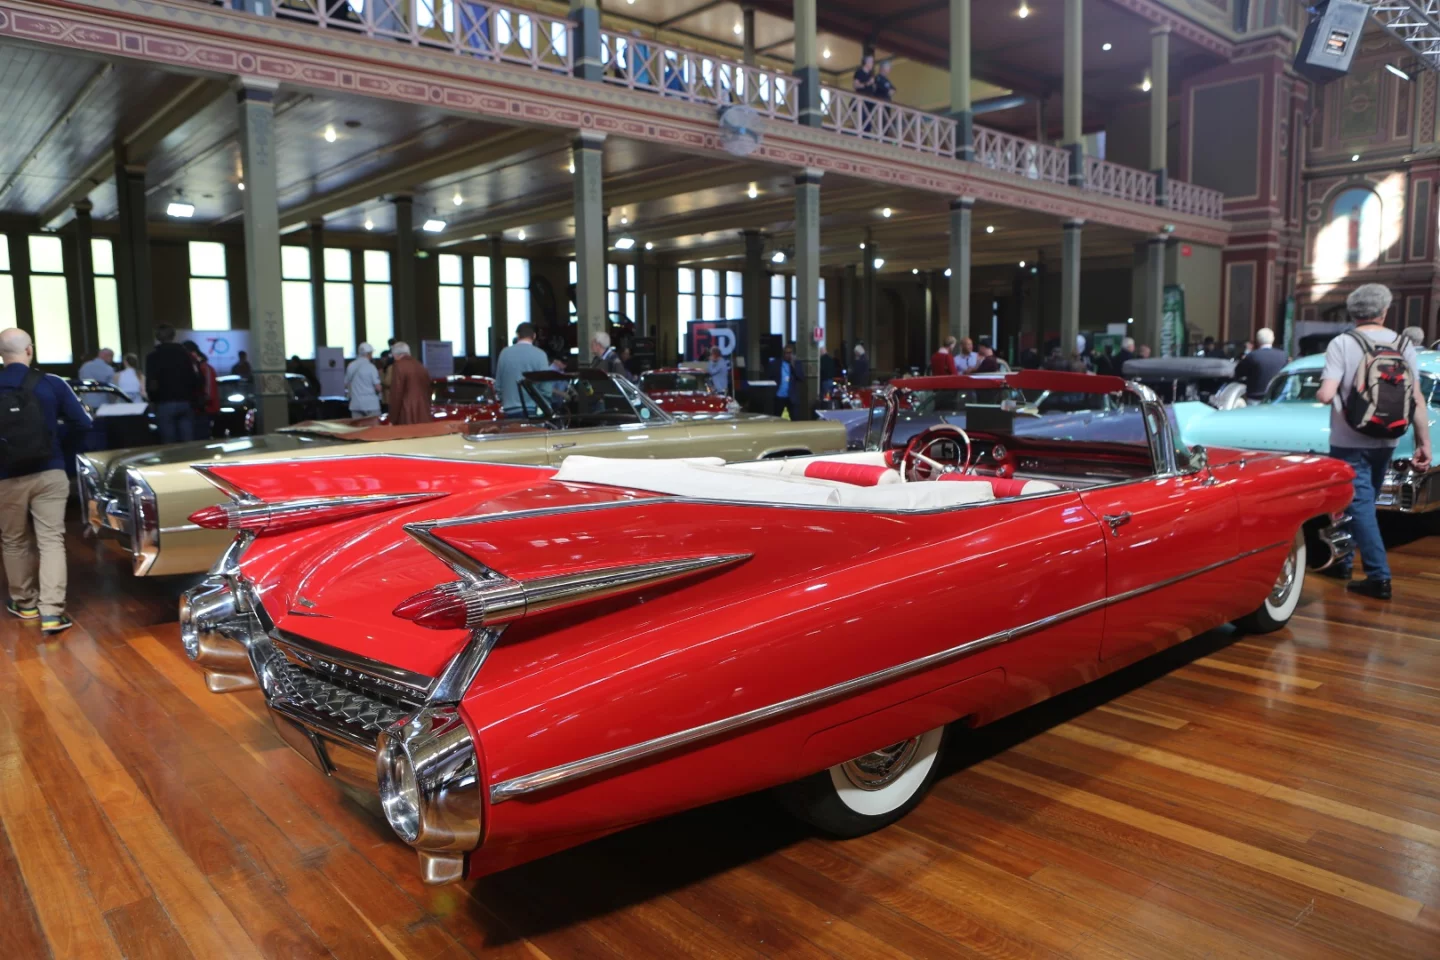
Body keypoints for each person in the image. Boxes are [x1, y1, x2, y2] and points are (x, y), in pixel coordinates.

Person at [1315, 284, 1432, 600]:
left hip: (1348, 439)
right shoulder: (1403, 343)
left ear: (1352, 313)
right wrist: (1424, 443)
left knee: (1358, 503)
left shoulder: (1342, 342)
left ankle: (1379, 577)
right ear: (1384, 311)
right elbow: (1416, 398)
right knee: (1363, 503)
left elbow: (1326, 393)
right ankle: (1344, 563)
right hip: (1388, 437)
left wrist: (1323, 393)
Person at [0, 328, 92, 635]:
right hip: (50, 472)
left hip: (5, 477)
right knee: (51, 540)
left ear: (2, 354)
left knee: (13, 540)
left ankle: (24, 603)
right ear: (30, 350)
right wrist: (58, 450)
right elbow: (83, 423)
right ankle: (52, 612)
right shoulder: (51, 383)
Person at [146, 324, 199, 444]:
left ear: (158, 337)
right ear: (173, 336)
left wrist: (153, 399)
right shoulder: (185, 355)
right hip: (185, 401)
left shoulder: (153, 357)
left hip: (164, 402)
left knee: (169, 442)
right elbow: (193, 377)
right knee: (188, 441)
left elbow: (152, 382)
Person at [494, 322, 550, 417]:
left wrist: (504, 400)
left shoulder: (504, 353)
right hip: (532, 411)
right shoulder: (540, 355)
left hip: (509, 410)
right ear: (534, 336)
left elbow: (498, 386)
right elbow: (546, 388)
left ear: (517, 335)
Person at [1233, 327, 1288, 402]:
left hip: (1255, 397)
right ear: (1273, 339)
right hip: (1276, 398)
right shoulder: (1282, 355)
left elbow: (1238, 372)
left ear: (1257, 340)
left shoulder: (1252, 356)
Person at [386, 342, 430, 425]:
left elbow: (396, 393)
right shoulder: (420, 365)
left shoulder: (398, 365)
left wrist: (392, 418)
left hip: (406, 414)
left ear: (395, 354)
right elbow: (428, 390)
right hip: (423, 412)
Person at [185, 341, 220, 440]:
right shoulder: (200, 367)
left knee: (201, 437)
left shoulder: (204, 367)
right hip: (202, 408)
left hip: (206, 409)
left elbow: (208, 391)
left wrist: (202, 402)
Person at [345, 342, 382, 419]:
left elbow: (346, 383)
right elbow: (378, 387)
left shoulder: (351, 365)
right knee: (374, 430)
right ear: (369, 354)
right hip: (371, 404)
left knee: (358, 430)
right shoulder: (371, 367)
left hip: (355, 404)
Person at [767, 345, 804, 419]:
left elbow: (801, 378)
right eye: (786, 353)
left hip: (791, 397)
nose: (788, 355)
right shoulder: (775, 363)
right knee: (776, 418)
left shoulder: (797, 364)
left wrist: (793, 365)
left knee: (794, 418)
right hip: (779, 395)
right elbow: (769, 376)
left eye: (790, 353)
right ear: (783, 353)